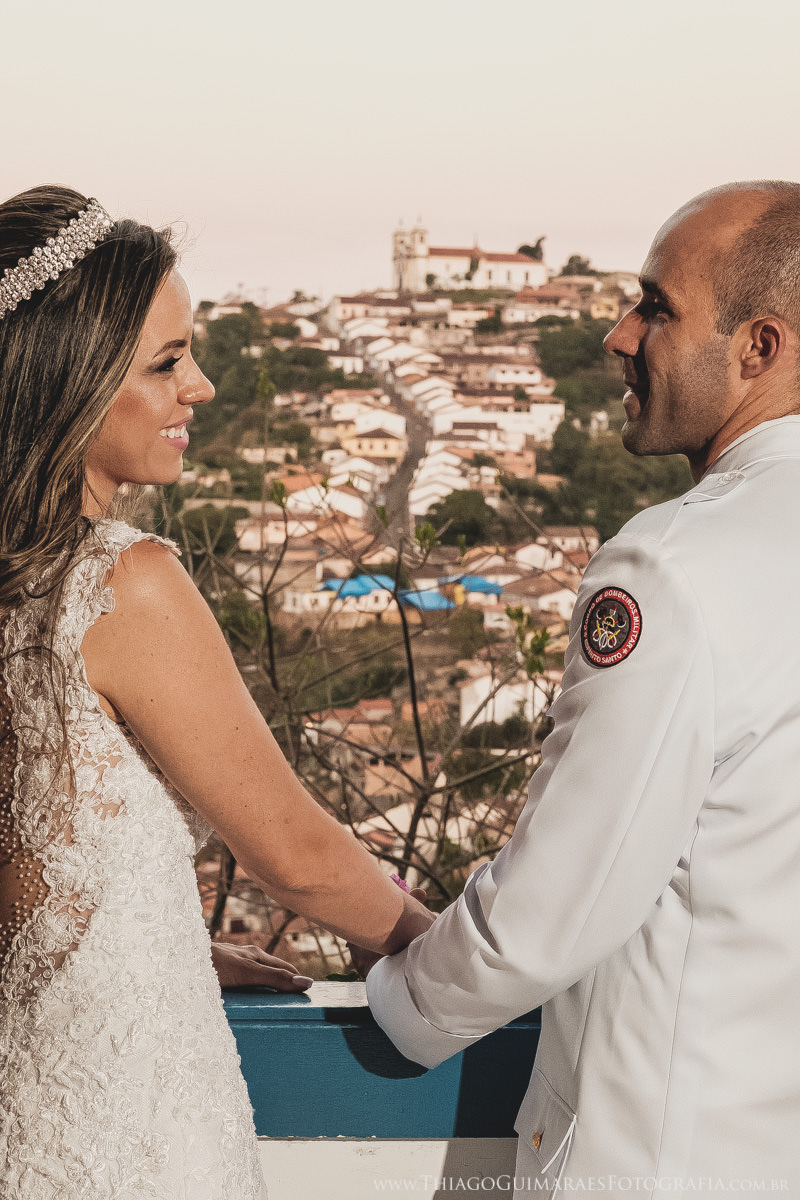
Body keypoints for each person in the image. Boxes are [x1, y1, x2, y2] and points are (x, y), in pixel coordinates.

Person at [358, 182, 800, 1195]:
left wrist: (393, 995)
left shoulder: (672, 569)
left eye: (654, 306)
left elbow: (540, 923)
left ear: (758, 349)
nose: (615, 335)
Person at [0, 185, 433, 1199]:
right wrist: (471, 958)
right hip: (132, 1136)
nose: (200, 385)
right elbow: (300, 858)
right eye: (164, 363)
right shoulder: (120, 581)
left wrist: (153, 947)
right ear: (67, 383)